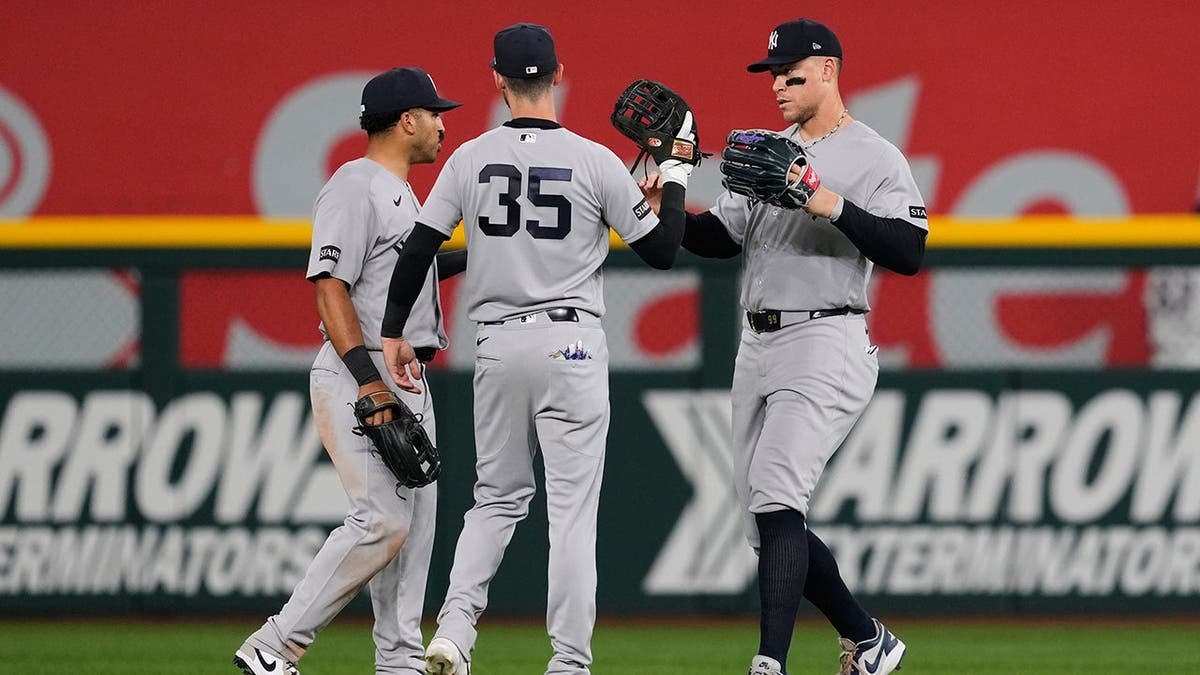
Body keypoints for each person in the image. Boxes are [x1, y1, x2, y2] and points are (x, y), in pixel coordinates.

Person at [378, 22, 692, 675]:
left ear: (497, 80)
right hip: (571, 341)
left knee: (494, 499)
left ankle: (454, 632)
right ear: (557, 74)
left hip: (497, 343)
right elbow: (664, 252)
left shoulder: (469, 156)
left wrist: (392, 331)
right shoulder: (595, 159)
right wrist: (678, 173)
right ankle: (569, 662)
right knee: (572, 513)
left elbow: (417, 250)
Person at [640, 17, 926, 675]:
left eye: (791, 72)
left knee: (776, 497)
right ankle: (868, 639)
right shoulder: (765, 148)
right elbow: (723, 239)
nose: (777, 85)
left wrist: (827, 200)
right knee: (764, 526)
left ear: (828, 70)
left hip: (827, 334)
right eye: (771, 74)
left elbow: (909, 250)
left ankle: (769, 662)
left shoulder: (875, 155)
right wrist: (669, 212)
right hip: (757, 342)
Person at [233, 67, 466, 675]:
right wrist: (366, 379)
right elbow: (330, 286)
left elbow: (410, 273)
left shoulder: (403, 191)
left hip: (407, 376)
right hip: (358, 374)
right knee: (383, 522)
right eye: (434, 114)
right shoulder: (354, 184)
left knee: (412, 540)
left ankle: (399, 662)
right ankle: (275, 644)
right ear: (407, 120)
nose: (443, 125)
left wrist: (499, 250)